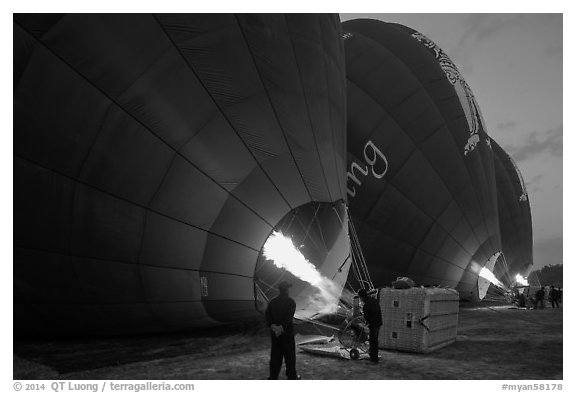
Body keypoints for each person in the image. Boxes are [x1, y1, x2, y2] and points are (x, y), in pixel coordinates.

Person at [265, 281, 300, 380]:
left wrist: (273, 327)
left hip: (275, 334)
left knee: (275, 355)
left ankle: (273, 376)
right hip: (287, 334)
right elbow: (288, 318)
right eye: (289, 288)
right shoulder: (291, 302)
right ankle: (291, 376)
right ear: (286, 289)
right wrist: (282, 328)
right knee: (290, 356)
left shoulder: (272, 302)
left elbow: (268, 316)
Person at [357, 288, 383, 363]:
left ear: (361, 297)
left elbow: (366, 318)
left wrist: (362, 322)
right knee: (375, 339)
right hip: (378, 322)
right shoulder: (374, 300)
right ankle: (372, 355)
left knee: (373, 341)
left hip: (373, 324)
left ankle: (374, 359)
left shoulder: (366, 305)